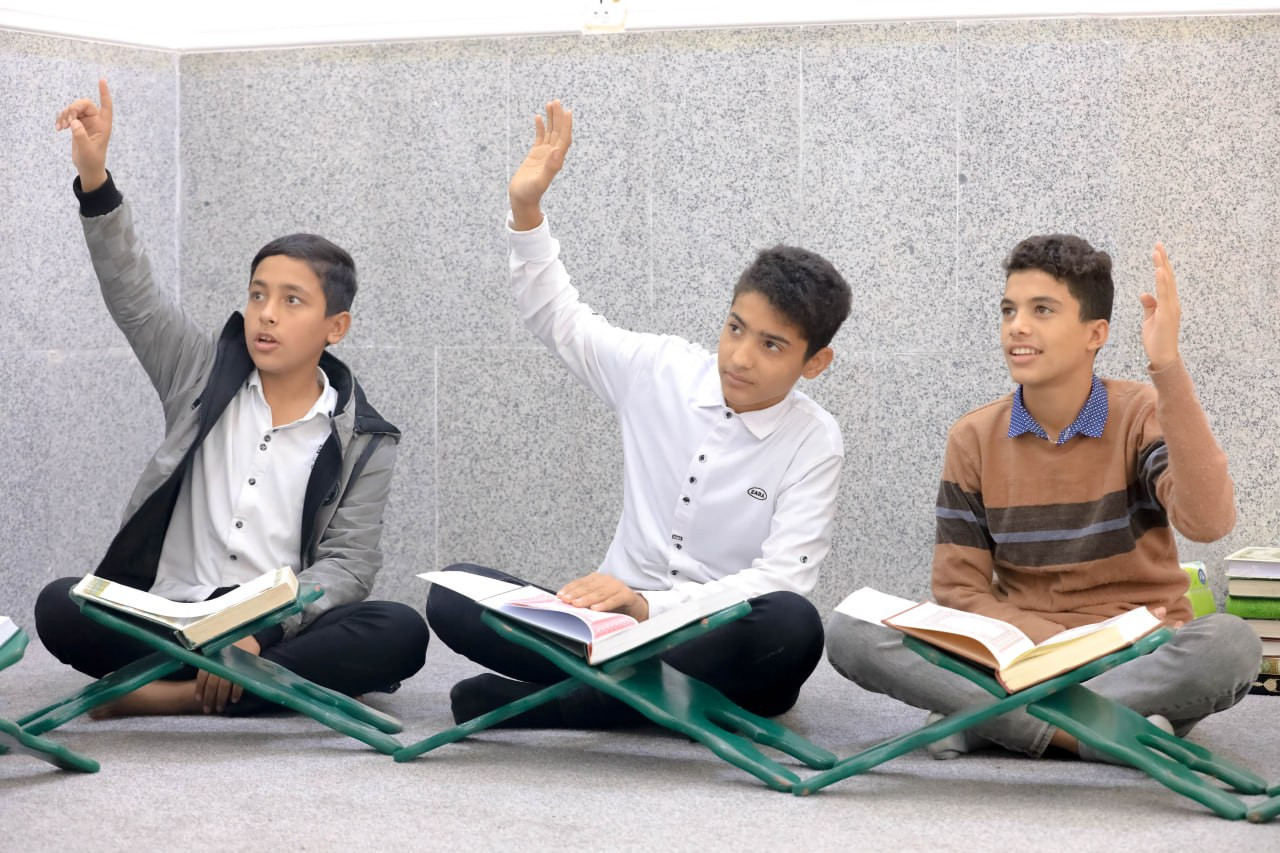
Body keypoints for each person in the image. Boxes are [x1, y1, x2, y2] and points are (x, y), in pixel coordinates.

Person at [427, 100, 853, 727]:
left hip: (708, 638)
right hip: (605, 629)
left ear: (814, 362)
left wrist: (649, 608)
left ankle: (570, 704)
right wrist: (526, 210)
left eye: (771, 345)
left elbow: (780, 579)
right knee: (454, 592)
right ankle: (633, 702)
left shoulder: (813, 439)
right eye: (736, 327)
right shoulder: (661, 368)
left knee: (791, 626)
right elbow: (560, 319)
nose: (739, 356)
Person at [35, 80, 429, 716]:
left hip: (269, 628)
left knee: (400, 630)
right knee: (61, 604)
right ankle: (271, 690)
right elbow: (134, 294)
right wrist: (94, 179)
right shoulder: (198, 372)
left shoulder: (364, 438)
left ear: (335, 327)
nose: (266, 314)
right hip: (168, 614)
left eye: (292, 301)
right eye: (258, 295)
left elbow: (348, 567)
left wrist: (258, 632)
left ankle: (166, 697)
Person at [827, 233, 1260, 761]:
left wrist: (1167, 367)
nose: (1017, 326)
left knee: (1230, 645)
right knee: (852, 630)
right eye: (1008, 310)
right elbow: (960, 591)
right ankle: (1099, 734)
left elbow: (1209, 521)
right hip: (1018, 652)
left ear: (1094, 334)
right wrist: (1048, 642)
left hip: (1130, 653)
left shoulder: (1140, 414)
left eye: (1042, 310)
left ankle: (990, 723)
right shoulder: (974, 437)